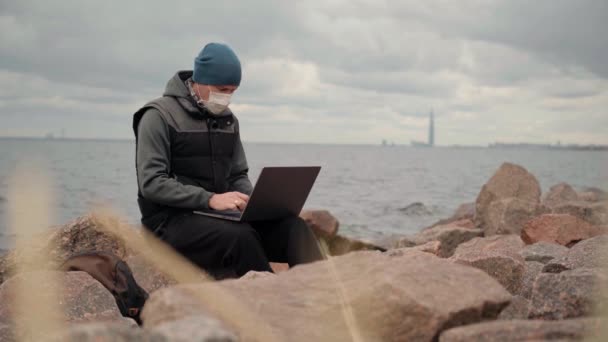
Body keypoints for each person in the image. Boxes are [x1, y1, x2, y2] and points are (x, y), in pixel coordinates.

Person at [132, 43, 323, 279]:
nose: (226, 97)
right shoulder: (157, 116)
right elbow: (151, 183)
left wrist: (253, 203)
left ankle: (329, 297)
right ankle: (276, 305)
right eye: (222, 89)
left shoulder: (229, 120)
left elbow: (237, 175)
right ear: (199, 81)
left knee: (294, 227)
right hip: (168, 223)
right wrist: (210, 199)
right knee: (240, 237)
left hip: (217, 217)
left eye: (232, 91)